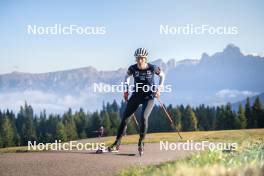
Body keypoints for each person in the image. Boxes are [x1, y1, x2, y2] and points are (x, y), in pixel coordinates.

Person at [108, 48, 165, 155]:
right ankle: (117, 143)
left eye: (142, 58)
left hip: (149, 97)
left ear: (145, 59)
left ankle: (141, 141)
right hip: (136, 95)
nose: (139, 60)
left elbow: (162, 75)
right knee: (125, 119)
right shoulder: (133, 68)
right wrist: (126, 91)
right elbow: (126, 77)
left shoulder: (152, 68)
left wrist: (159, 89)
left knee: (144, 117)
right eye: (138, 58)